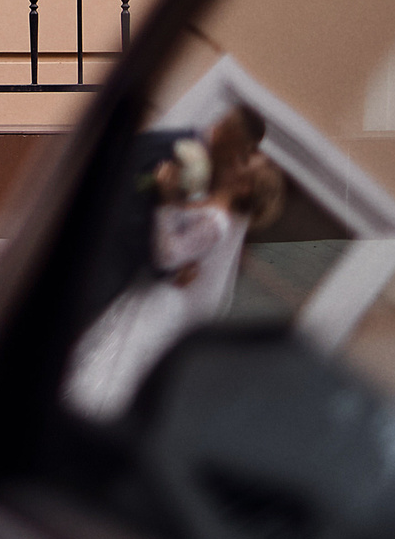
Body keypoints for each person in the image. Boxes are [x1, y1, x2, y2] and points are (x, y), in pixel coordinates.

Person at [62, 144, 285, 421]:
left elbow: (169, 255)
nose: (233, 164)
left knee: (119, 356)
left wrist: (166, 202)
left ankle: (83, 410)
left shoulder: (217, 222)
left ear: (244, 187)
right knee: (105, 341)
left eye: (243, 164)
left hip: (160, 299)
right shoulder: (206, 206)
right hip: (151, 287)